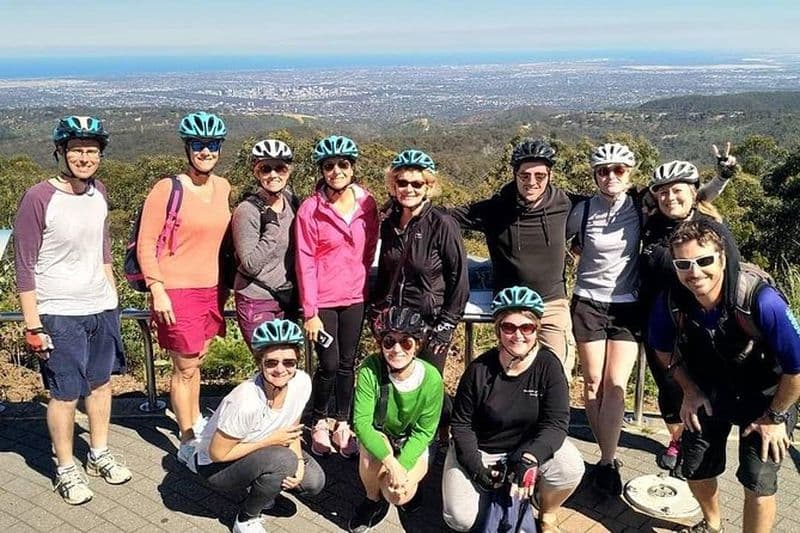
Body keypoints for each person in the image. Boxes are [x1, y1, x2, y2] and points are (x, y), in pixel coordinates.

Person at [566, 142, 729, 496]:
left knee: (616, 384)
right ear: (594, 175)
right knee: (593, 384)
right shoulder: (581, 209)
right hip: (588, 303)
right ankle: (607, 460)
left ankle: (606, 458)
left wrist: (723, 176)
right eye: (604, 170)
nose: (611, 176)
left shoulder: (643, 205)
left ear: (630, 174)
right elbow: (548, 233)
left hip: (628, 305)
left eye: (619, 170)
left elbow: (690, 196)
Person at [649, 219, 800, 533]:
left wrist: (775, 416)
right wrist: (688, 390)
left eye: (704, 261)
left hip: (767, 395)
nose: (695, 272)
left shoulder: (761, 300)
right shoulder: (671, 301)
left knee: (758, 478)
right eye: (684, 264)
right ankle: (712, 523)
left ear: (722, 258)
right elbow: (662, 349)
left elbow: (796, 366)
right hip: (710, 387)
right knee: (694, 466)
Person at [14, 116, 131, 504]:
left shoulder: (99, 193)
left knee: (101, 385)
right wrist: (33, 322)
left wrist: (113, 298)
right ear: (61, 153)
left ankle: (98, 453)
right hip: (59, 311)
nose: (85, 157)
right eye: (77, 150)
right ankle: (65, 466)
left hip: (100, 306)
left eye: (92, 150)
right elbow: (24, 264)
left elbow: (103, 251)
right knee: (64, 393)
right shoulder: (38, 197)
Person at [444, 286, 585, 533]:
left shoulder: (548, 366)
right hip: (483, 448)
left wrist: (530, 456)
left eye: (526, 327)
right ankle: (490, 495)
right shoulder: (479, 369)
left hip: (526, 448)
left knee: (570, 467)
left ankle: (546, 510)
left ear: (537, 329)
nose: (517, 335)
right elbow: (461, 425)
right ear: (498, 330)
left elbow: (556, 423)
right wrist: (476, 469)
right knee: (459, 519)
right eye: (508, 327)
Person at [136, 111, 231, 465]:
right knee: (184, 367)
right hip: (176, 290)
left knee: (197, 361)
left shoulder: (223, 187)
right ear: (187, 148)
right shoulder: (167, 189)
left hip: (211, 289)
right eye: (198, 144)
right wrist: (157, 288)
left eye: (212, 145)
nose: (205, 151)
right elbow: (146, 243)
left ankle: (193, 419)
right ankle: (186, 434)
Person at [640, 148, 737, 475]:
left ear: (692, 193)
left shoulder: (711, 229)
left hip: (700, 328)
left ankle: (700, 449)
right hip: (658, 327)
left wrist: (721, 178)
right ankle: (677, 439)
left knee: (697, 385)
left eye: (677, 190)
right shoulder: (651, 225)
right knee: (668, 387)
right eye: (663, 192)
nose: (670, 197)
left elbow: (732, 276)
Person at [450, 139, 578, 375]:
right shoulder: (495, 209)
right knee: (513, 373)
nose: (532, 182)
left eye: (539, 176)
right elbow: (446, 217)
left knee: (557, 375)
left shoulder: (566, 203)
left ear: (549, 175)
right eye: (525, 175)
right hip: (510, 306)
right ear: (515, 174)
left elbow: (607, 205)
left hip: (552, 305)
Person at [192, 319, 325, 533]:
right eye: (271, 362)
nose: (281, 369)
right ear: (259, 362)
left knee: (312, 482)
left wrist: (299, 463)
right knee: (283, 461)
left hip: (263, 447)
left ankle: (263, 483)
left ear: (298, 361)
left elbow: (292, 425)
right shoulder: (246, 401)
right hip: (215, 465)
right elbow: (217, 454)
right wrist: (272, 442)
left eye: (289, 362)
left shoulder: (302, 382)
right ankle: (245, 519)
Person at [295, 135, 379, 458]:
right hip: (325, 302)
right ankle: (318, 420)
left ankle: (343, 422)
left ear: (352, 167)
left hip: (355, 297)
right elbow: (305, 260)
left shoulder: (366, 204)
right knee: (328, 362)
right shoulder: (310, 210)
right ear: (322, 170)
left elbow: (370, 245)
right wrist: (310, 311)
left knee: (347, 363)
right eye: (329, 166)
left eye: (342, 164)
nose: (336, 171)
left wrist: (362, 280)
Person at [372, 149, 468, 425]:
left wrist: (446, 324)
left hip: (431, 322)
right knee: (398, 384)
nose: (409, 189)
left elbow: (459, 278)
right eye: (402, 183)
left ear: (429, 186)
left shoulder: (442, 223)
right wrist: (376, 310)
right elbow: (386, 271)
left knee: (428, 388)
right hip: (396, 322)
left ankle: (443, 437)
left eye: (417, 183)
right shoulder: (389, 223)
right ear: (393, 185)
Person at [349, 306, 444, 533]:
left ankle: (400, 488)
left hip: (412, 439)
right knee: (372, 459)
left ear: (417, 345)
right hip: (382, 435)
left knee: (397, 495)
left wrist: (401, 467)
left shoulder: (431, 378)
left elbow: (424, 432)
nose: (397, 349)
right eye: (389, 342)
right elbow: (361, 423)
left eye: (406, 342)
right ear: (381, 344)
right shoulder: (370, 369)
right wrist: (391, 463)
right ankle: (372, 499)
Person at [232, 139, 300, 348]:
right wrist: (271, 228)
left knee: (287, 364)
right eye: (266, 169)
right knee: (269, 362)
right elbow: (250, 265)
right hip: (257, 298)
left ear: (288, 171)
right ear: (256, 172)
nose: (273, 175)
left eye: (280, 168)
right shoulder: (247, 211)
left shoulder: (291, 202)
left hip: (287, 298)